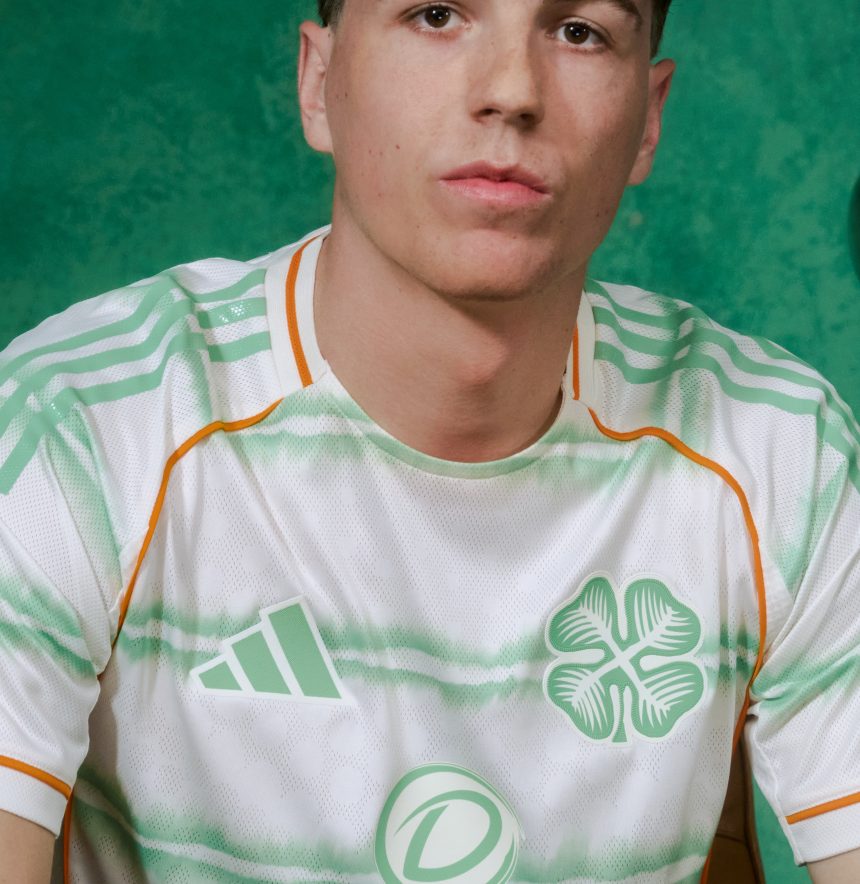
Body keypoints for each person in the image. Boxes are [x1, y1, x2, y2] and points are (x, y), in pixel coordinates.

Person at [0, 0, 858, 881]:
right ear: (319, 82)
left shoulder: (780, 449)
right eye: (437, 14)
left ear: (648, 118)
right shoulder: (79, 426)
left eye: (580, 31)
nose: (512, 91)